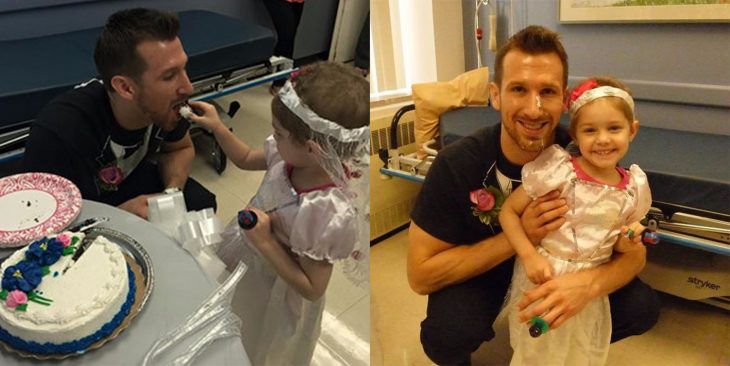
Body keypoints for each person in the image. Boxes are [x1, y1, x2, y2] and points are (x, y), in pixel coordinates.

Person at [407, 25, 660, 365]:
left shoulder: (586, 155)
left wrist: (587, 287)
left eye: (547, 91)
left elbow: (634, 256)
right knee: (445, 336)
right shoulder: (457, 164)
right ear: (495, 96)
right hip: (485, 271)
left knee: (640, 309)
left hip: (563, 270)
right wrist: (521, 237)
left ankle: (562, 342)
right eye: (519, 89)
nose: (534, 108)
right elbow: (421, 276)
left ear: (565, 99)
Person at [188, 61, 369, 365]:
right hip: (245, 254)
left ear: (313, 148)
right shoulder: (289, 158)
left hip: (276, 288)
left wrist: (266, 242)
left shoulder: (326, 212)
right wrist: (218, 128)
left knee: (257, 340)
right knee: (226, 316)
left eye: (279, 133)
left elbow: (312, 288)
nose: (273, 137)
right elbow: (246, 158)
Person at [498, 76, 651, 365]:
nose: (603, 139)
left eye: (614, 128)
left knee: (578, 349)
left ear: (632, 131)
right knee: (537, 350)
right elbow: (508, 212)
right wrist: (529, 255)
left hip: (589, 284)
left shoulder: (634, 188)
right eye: (590, 130)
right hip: (545, 274)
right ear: (575, 135)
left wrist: (628, 240)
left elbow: (620, 245)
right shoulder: (558, 171)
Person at [23, 8, 216, 219]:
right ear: (125, 88)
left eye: (184, 69)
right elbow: (37, 221)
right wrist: (120, 218)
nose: (188, 88)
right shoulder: (59, 133)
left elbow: (180, 148)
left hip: (128, 181)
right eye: (169, 76)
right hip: (77, 206)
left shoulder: (168, 106)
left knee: (201, 203)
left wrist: (170, 194)